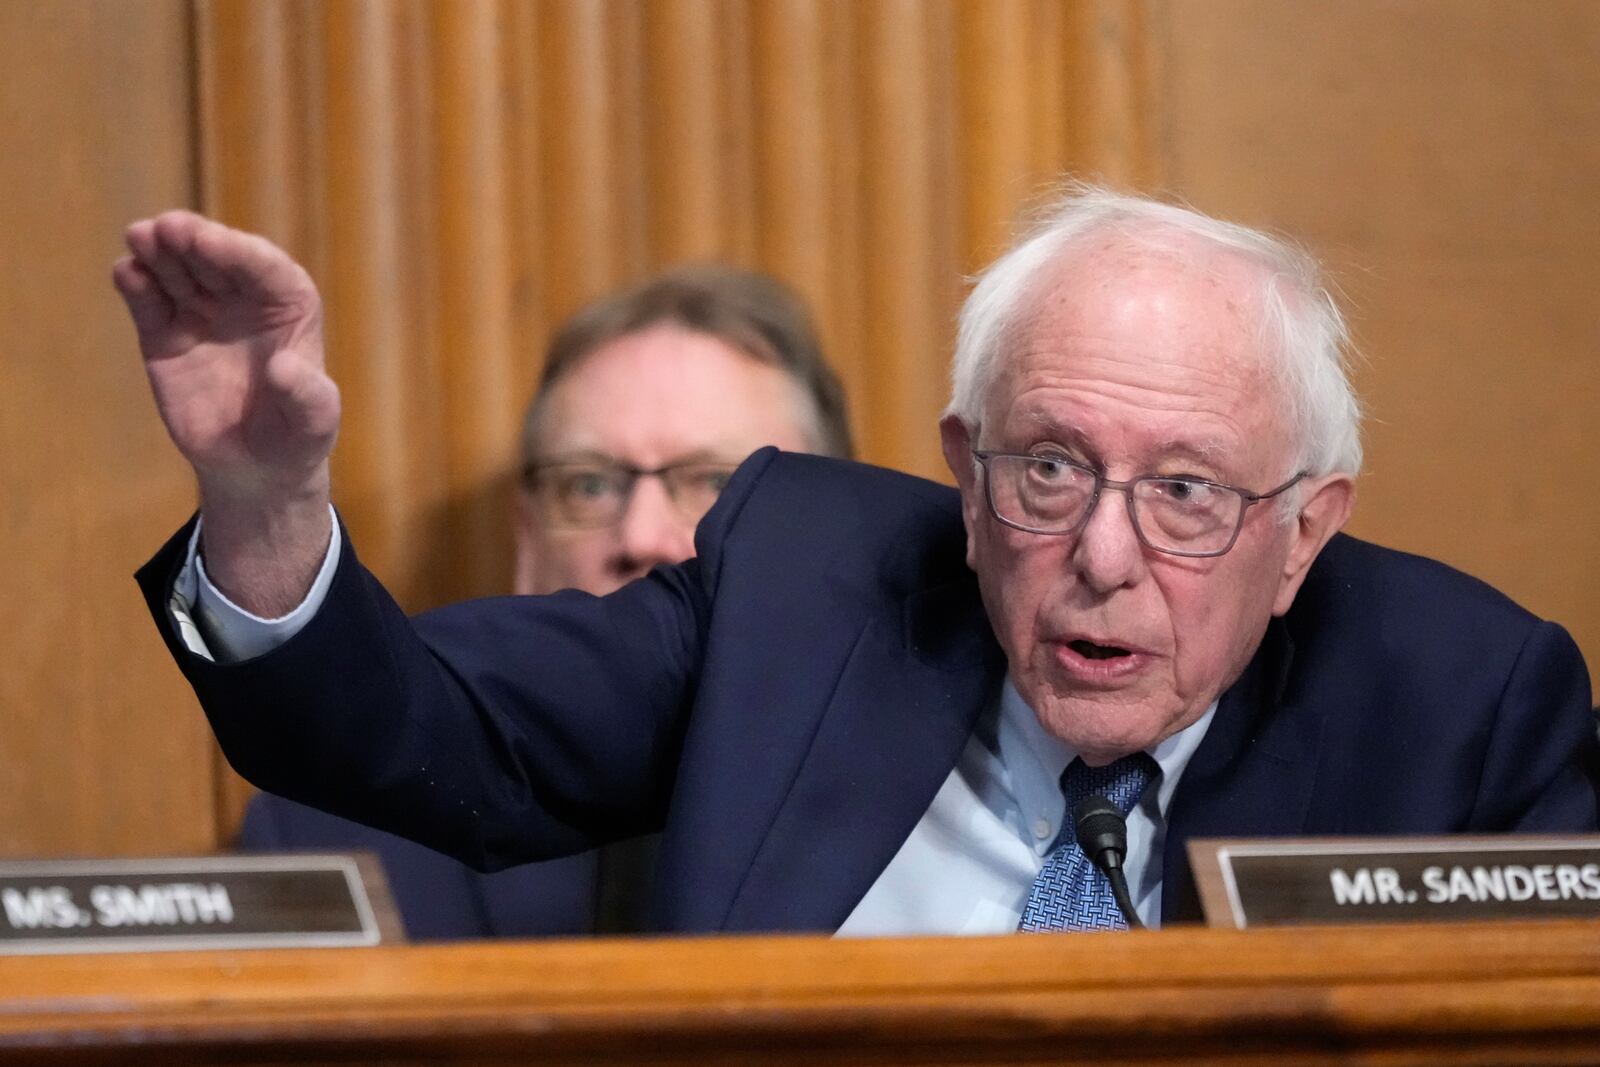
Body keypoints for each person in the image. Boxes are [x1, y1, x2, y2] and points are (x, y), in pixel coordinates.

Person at [118, 185, 1599, 935]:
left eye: (1190, 494)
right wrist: (263, 495)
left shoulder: (1465, 702)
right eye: (1050, 467)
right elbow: (425, 732)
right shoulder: (801, 589)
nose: (1101, 553)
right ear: (962, 473)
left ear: (1304, 535)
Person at [238, 265, 853, 938]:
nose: (641, 537)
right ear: (527, 539)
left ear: (832, 534)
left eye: (714, 483)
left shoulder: (944, 811)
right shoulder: (337, 836)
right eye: (589, 486)